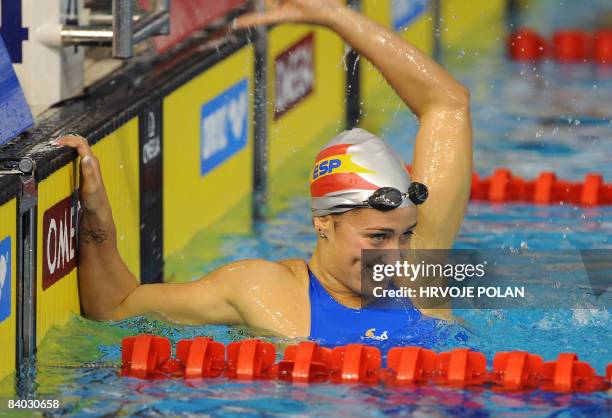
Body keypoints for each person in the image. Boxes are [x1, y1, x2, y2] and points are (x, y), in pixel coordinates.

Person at [55, 0, 471, 344]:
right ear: (323, 221)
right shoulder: (260, 290)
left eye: (406, 235)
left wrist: (333, 15)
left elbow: (448, 104)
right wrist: (95, 217)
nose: (395, 258)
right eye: (377, 237)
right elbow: (115, 308)